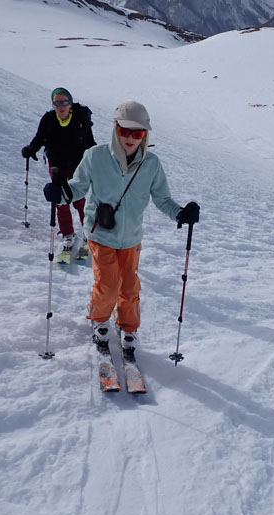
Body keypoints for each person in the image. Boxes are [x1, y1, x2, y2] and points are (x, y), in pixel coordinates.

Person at [52, 100, 200, 354]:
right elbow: (77, 187)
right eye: (124, 131)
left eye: (138, 132)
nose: (130, 138)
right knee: (108, 285)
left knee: (130, 286)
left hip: (131, 237)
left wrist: (181, 214)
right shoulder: (95, 156)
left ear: (145, 134)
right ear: (115, 129)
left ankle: (128, 326)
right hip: (101, 234)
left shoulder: (151, 164)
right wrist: (61, 192)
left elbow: (162, 199)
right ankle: (99, 319)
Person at [22, 87, 96, 256]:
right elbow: (39, 138)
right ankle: (68, 234)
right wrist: (31, 149)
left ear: (70, 104)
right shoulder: (48, 119)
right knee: (60, 200)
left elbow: (90, 142)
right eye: (57, 102)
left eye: (64, 102)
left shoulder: (80, 118)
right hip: (57, 166)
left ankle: (87, 234)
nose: (61, 106)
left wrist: (97, 160)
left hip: (78, 165)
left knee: (80, 200)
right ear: (53, 104)